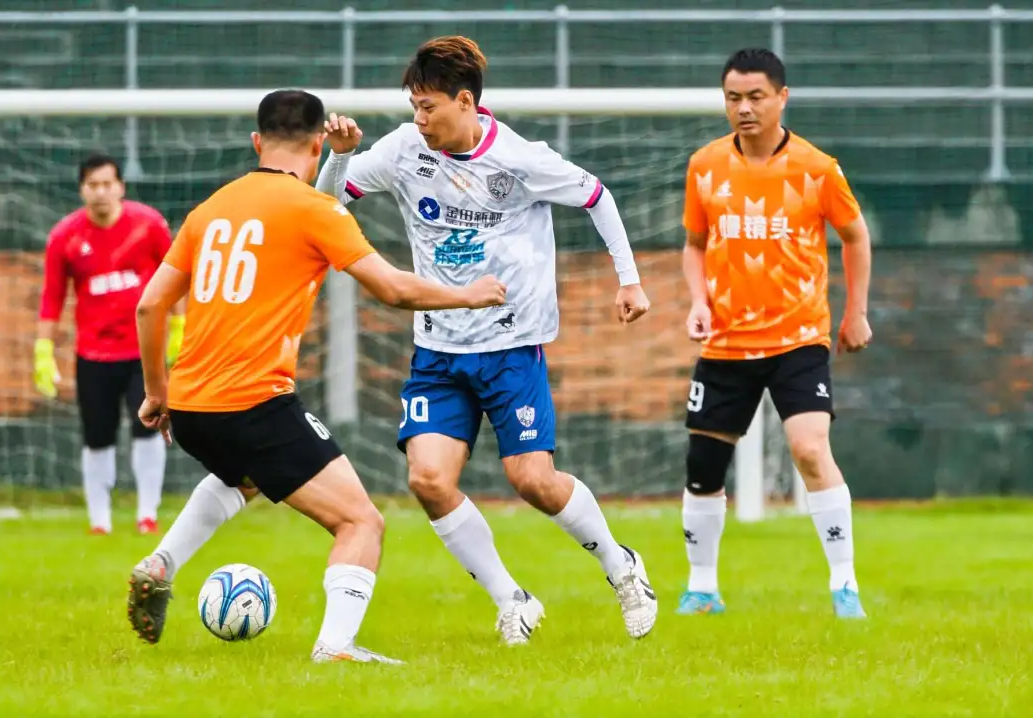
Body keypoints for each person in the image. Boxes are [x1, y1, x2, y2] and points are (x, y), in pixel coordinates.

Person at [125, 89, 506, 663]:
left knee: (242, 477)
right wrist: (468, 295)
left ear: (257, 142)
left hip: (192, 406)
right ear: (316, 145)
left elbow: (150, 305)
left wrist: (158, 392)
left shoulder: (209, 210)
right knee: (361, 521)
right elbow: (392, 288)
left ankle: (161, 563)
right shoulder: (314, 210)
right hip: (255, 404)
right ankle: (337, 646)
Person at [315, 36, 658, 645]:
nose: (419, 119)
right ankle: (512, 599)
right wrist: (341, 157)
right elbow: (323, 205)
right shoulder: (402, 150)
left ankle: (621, 564)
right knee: (428, 480)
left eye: (428, 107)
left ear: (465, 102)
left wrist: (628, 281)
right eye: (414, 107)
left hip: (511, 348)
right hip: (439, 350)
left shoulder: (521, 159)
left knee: (533, 481)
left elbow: (597, 197)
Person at [678, 48, 873, 619]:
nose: (744, 108)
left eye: (756, 97)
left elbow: (855, 236)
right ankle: (702, 589)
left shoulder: (817, 168)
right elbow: (694, 245)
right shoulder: (705, 165)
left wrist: (856, 312)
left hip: (798, 338)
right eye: (733, 98)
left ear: (782, 98)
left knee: (810, 448)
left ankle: (844, 586)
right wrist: (698, 301)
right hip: (726, 343)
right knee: (703, 467)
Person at [35, 154, 184, 535]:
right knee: (97, 437)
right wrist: (43, 350)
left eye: (107, 184)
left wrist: (180, 325)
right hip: (93, 355)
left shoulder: (149, 225)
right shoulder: (65, 237)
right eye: (93, 185)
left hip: (144, 353)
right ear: (81, 189)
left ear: (121, 187)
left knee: (148, 428)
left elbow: (174, 276)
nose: (100, 192)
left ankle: (147, 515)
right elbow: (52, 296)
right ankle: (99, 521)